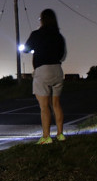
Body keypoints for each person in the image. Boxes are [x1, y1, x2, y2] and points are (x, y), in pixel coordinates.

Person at [22, 9, 66, 145]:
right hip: (57, 70)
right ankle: (60, 134)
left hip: (42, 70)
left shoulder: (36, 34)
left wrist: (35, 49)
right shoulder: (59, 36)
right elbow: (62, 55)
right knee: (56, 104)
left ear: (42, 20)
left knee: (44, 106)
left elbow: (26, 49)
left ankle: (46, 137)